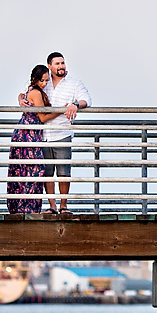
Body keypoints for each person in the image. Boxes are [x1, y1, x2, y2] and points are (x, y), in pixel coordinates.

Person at [19, 51, 91, 214]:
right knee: (48, 172)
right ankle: (52, 206)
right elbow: (25, 92)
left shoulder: (74, 83)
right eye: (57, 64)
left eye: (63, 63)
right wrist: (20, 99)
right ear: (49, 66)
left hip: (62, 132)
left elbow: (86, 99)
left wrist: (75, 104)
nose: (61, 66)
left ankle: (63, 205)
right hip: (42, 134)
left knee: (64, 171)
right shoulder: (44, 80)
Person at [8, 65, 63, 214]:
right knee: (34, 170)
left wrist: (20, 98)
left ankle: (23, 207)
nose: (44, 83)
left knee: (25, 170)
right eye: (42, 81)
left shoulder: (31, 91)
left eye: (46, 81)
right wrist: (61, 111)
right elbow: (43, 117)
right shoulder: (36, 93)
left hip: (28, 133)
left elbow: (22, 95)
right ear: (35, 79)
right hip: (28, 134)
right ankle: (26, 208)